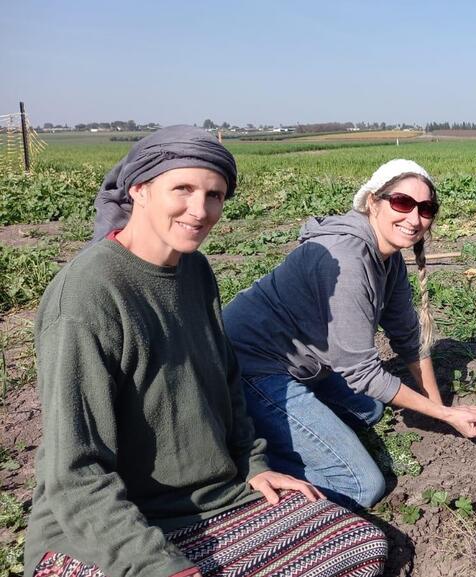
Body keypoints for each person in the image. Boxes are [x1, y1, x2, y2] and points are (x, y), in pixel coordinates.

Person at [27, 126, 387, 576]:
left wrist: (253, 465)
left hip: (212, 498)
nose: (200, 211)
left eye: (214, 195)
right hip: (110, 523)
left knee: (359, 542)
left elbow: (227, 382)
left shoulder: (195, 271)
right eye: (183, 189)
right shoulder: (88, 296)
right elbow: (73, 473)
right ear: (139, 189)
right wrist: (157, 565)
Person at [223, 159, 476, 510]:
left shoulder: (388, 258)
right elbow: (362, 372)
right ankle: (241, 465)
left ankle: (280, 428)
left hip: (304, 364)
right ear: (372, 202)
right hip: (249, 369)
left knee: (371, 411)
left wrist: (438, 409)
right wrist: (447, 417)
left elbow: (407, 337)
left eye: (426, 208)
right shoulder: (348, 261)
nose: (414, 219)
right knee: (361, 485)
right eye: (402, 203)